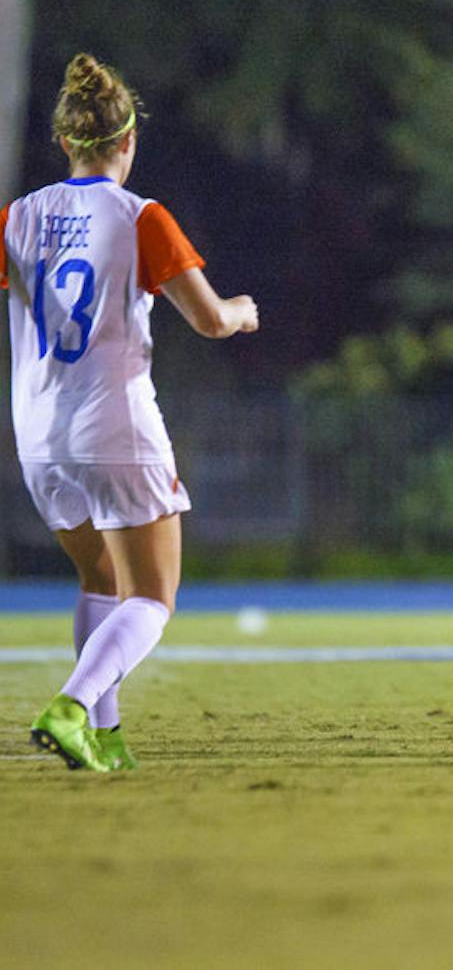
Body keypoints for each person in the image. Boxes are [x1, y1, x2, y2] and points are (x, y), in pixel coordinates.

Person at [7, 53, 259, 772]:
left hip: (38, 433)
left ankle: (105, 740)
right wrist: (241, 313)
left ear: (65, 142)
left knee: (101, 582)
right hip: (112, 425)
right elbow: (209, 320)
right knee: (153, 596)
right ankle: (73, 705)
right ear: (128, 142)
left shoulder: (19, 218)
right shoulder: (140, 216)